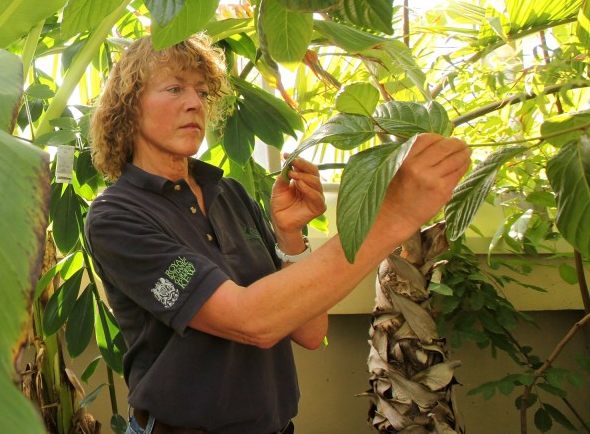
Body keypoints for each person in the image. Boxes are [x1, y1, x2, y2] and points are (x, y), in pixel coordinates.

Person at [84, 35, 471, 434]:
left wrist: (289, 236)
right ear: (128, 106)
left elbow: (309, 331)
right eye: (174, 88)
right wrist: (390, 217)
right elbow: (250, 320)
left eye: (202, 91)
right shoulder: (116, 218)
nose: (195, 103)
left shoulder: (229, 195)